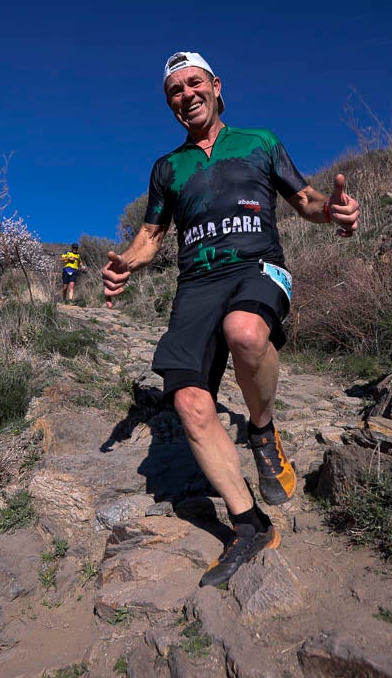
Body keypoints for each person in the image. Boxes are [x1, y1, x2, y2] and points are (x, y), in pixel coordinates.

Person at [102, 51, 360, 587]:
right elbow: (151, 236)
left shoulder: (259, 141)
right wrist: (126, 262)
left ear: (216, 86)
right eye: (175, 90)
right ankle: (249, 525)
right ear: (170, 104)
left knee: (244, 331)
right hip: (197, 283)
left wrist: (332, 210)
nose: (186, 95)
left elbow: (305, 198)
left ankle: (262, 433)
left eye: (194, 83)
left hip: (257, 267)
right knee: (188, 402)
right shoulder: (168, 167)